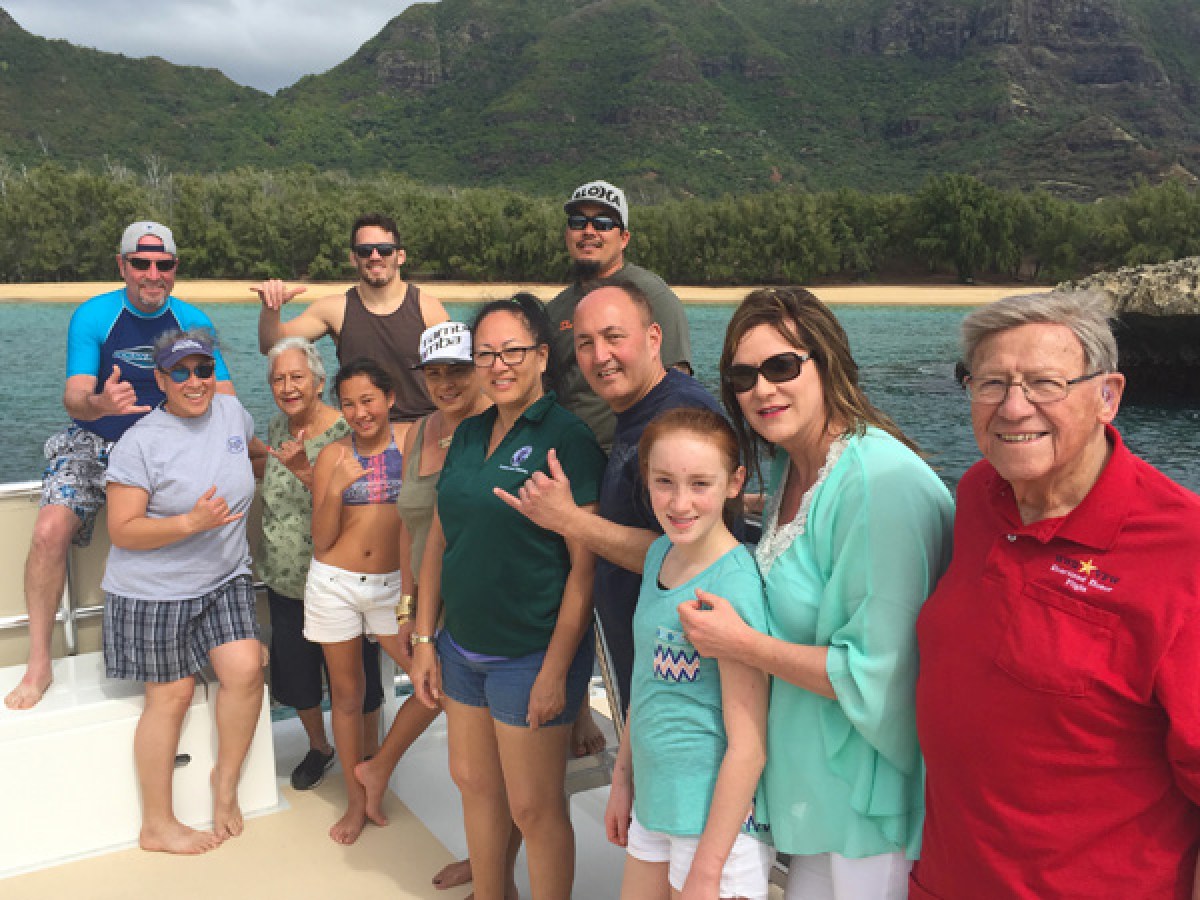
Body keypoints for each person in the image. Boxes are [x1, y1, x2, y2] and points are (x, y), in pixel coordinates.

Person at [910, 291, 1200, 900]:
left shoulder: (1182, 550)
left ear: (1107, 396)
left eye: (1045, 383)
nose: (1014, 408)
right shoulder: (980, 492)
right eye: (991, 383)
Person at [677, 287, 954, 900]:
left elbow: (877, 673)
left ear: (825, 362)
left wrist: (742, 644)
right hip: (819, 793)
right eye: (744, 376)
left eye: (781, 366)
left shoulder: (880, 485)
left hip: (869, 804)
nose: (762, 389)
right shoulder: (792, 467)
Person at [410, 294, 607, 900]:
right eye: (486, 354)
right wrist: (424, 638)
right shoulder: (468, 434)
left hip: (530, 652)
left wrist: (556, 673)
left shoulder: (567, 439)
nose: (498, 365)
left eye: (512, 351)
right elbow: (442, 534)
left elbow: (585, 567)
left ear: (543, 355)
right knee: (472, 781)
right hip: (462, 645)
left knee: (534, 808)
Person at [6, 221, 235, 711]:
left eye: (163, 264)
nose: (152, 274)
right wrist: (101, 403)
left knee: (201, 516)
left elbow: (227, 399)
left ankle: (201, 645)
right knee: (49, 530)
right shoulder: (94, 316)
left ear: (175, 268)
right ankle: (40, 661)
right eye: (141, 262)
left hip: (170, 444)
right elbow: (73, 399)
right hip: (96, 438)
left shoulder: (193, 320)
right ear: (122, 265)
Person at [498, 281, 724, 723]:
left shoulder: (678, 418)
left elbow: (688, 555)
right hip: (643, 654)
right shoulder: (637, 409)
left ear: (654, 338)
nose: (600, 356)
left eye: (614, 337)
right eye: (585, 343)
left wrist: (569, 520)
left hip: (680, 669)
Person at [101, 329, 264, 855]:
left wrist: (294, 462)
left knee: (246, 668)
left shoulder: (232, 413)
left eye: (203, 369)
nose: (195, 381)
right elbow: (122, 529)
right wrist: (190, 522)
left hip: (223, 576)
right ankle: (157, 824)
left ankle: (225, 786)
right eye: (181, 372)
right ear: (161, 380)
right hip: (154, 590)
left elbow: (252, 453)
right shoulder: (141, 442)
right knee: (171, 696)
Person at [605, 407, 772, 900]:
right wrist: (622, 780)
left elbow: (750, 745)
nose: (680, 503)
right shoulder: (660, 553)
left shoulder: (734, 585)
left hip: (715, 829)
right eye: (664, 482)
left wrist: (707, 870)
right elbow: (645, 684)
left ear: (734, 482)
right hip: (655, 808)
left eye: (700, 483)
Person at [307, 356, 439, 845]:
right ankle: (356, 801)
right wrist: (335, 493)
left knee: (433, 686)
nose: (360, 412)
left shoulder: (414, 443)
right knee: (346, 696)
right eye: (348, 404)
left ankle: (378, 766)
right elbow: (320, 541)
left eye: (368, 400)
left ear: (390, 399)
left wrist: (411, 598)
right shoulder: (332, 457)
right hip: (335, 583)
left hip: (391, 587)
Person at [255, 337, 386, 792]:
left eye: (297, 377)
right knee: (296, 675)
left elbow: (358, 509)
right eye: (278, 379)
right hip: (286, 579)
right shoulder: (275, 430)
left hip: (341, 580)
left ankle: (370, 758)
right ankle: (320, 747)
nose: (288, 387)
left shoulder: (346, 433)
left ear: (319, 382)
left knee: (357, 682)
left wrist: (303, 471)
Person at [253, 212, 449, 426]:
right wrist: (271, 308)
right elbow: (271, 345)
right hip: (363, 429)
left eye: (384, 250)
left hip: (423, 428)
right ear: (353, 258)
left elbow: (459, 375)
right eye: (365, 251)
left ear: (400, 256)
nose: (375, 256)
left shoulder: (428, 309)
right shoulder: (335, 309)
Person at [546, 179, 692, 449]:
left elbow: (678, 387)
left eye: (602, 224)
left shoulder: (652, 296)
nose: (588, 231)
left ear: (624, 238)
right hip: (569, 458)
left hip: (628, 454)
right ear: (567, 234)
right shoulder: (556, 309)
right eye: (578, 222)